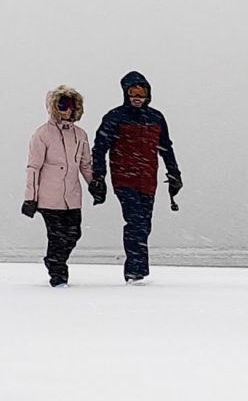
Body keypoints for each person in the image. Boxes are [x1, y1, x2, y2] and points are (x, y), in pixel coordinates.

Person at [90, 71, 182, 284]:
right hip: (124, 180)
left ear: (148, 94)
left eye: (141, 93)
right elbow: (100, 148)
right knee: (136, 223)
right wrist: (98, 177)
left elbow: (166, 148)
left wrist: (174, 174)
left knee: (145, 225)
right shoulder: (115, 117)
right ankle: (135, 273)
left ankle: (138, 271)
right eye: (133, 92)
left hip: (148, 181)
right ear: (126, 93)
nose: (137, 97)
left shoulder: (156, 118)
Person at [22, 85, 94, 287]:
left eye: (71, 106)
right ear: (54, 107)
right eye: (63, 105)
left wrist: (94, 185)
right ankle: (58, 277)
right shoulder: (42, 134)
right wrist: (30, 198)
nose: (67, 110)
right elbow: (34, 167)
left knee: (74, 234)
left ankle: (53, 260)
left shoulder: (80, 135)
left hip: (72, 197)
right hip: (49, 198)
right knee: (57, 238)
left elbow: (85, 164)